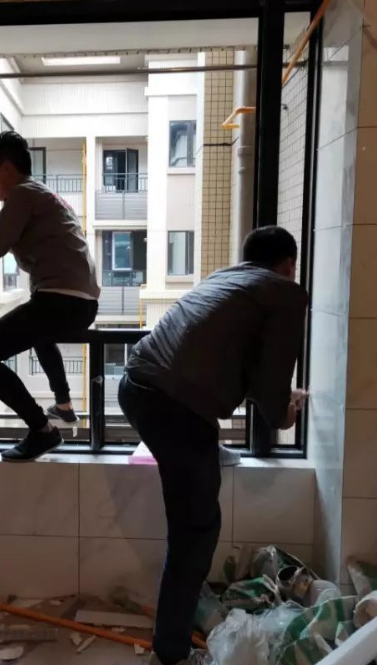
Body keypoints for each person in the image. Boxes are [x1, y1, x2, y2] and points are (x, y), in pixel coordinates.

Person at [119, 226, 308, 665]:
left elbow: (219, 359)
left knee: (195, 464)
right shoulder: (284, 292)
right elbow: (270, 382)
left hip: (136, 388)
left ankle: (207, 454)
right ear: (288, 265)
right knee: (197, 531)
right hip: (174, 409)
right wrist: (286, 413)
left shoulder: (225, 278)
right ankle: (171, 653)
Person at [0, 131, 100, 462]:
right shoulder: (44, 195)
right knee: (39, 334)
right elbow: (33, 249)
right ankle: (64, 405)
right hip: (82, 303)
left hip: (60, 300)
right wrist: (0, 234)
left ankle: (42, 430)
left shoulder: (21, 194)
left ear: (6, 168)